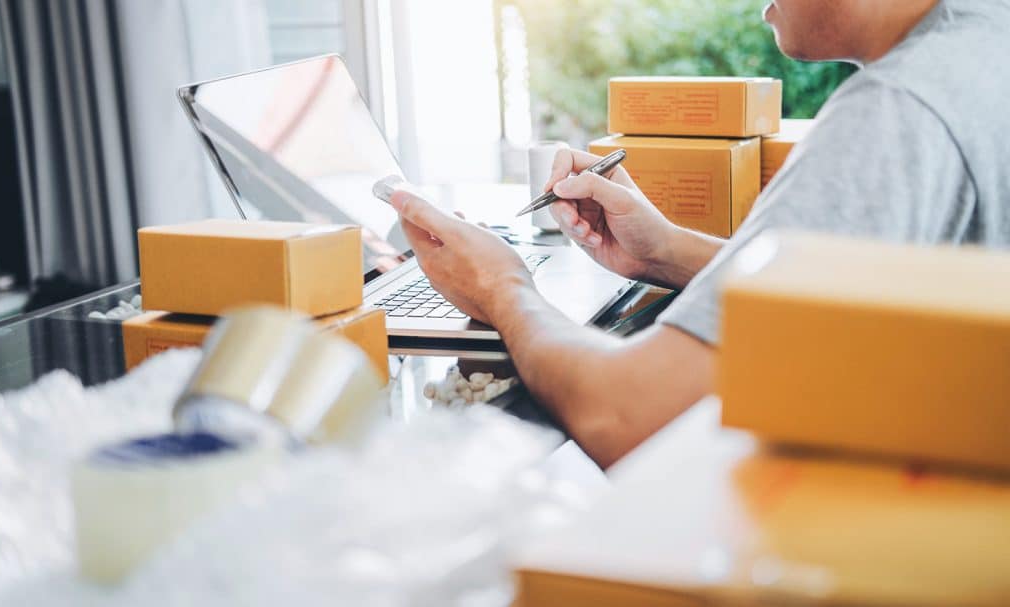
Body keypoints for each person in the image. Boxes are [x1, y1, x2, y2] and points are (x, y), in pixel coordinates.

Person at [389, 0, 1010, 468]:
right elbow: (878, 301)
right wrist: (667, 250)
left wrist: (501, 287)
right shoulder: (982, 44)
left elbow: (626, 415)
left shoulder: (897, 110)